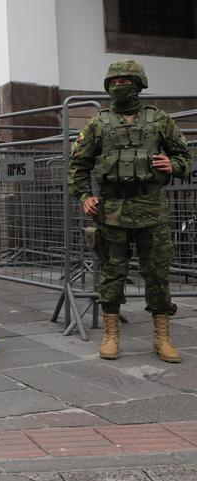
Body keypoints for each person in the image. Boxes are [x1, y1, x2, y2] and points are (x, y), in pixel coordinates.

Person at [68, 60, 191, 363]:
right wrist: (84, 196)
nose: (118, 85)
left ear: (138, 84)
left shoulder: (160, 120)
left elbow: (185, 158)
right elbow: (78, 166)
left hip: (152, 209)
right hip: (112, 210)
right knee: (112, 274)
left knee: (157, 274)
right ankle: (111, 335)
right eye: (113, 80)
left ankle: (162, 336)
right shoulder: (98, 124)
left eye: (125, 80)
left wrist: (172, 165)